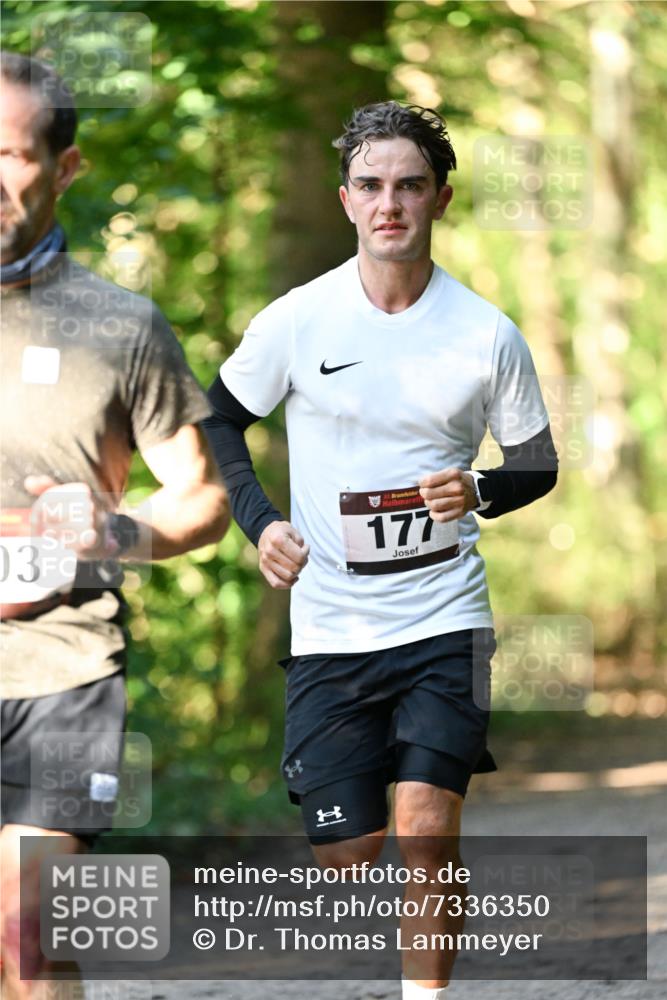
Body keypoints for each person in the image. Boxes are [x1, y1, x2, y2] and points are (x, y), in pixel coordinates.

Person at [204, 101, 558, 998]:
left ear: (440, 198)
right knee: (351, 850)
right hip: (332, 623)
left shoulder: (485, 332)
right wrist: (261, 521)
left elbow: (536, 463)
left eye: (407, 185)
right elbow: (218, 419)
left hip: (446, 614)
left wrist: (480, 488)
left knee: (425, 820)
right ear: (345, 200)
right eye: (370, 186)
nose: (388, 203)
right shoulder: (297, 319)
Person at [0, 52, 229, 998]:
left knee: (26, 927)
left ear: (65, 167)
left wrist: (112, 534)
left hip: (65, 666)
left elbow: (205, 497)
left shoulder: (118, 325)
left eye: (11, 155)